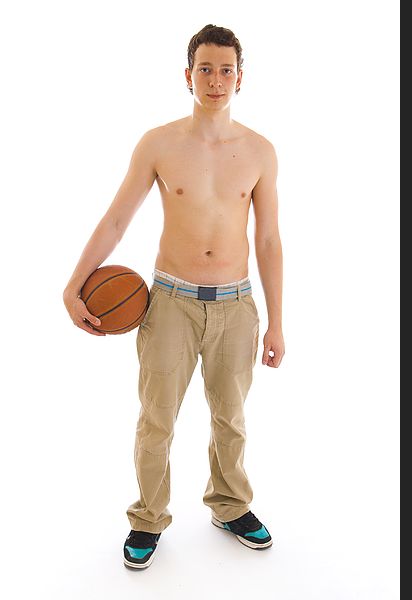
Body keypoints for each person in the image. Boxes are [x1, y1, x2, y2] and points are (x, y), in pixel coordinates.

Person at [63, 23, 284, 569]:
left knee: (230, 417)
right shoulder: (159, 143)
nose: (215, 79)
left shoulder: (259, 151)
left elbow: (270, 239)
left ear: (241, 78)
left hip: (236, 304)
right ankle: (148, 518)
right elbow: (117, 219)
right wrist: (73, 284)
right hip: (170, 302)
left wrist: (276, 321)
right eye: (205, 69)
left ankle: (230, 505)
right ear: (188, 76)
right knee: (156, 419)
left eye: (226, 69)